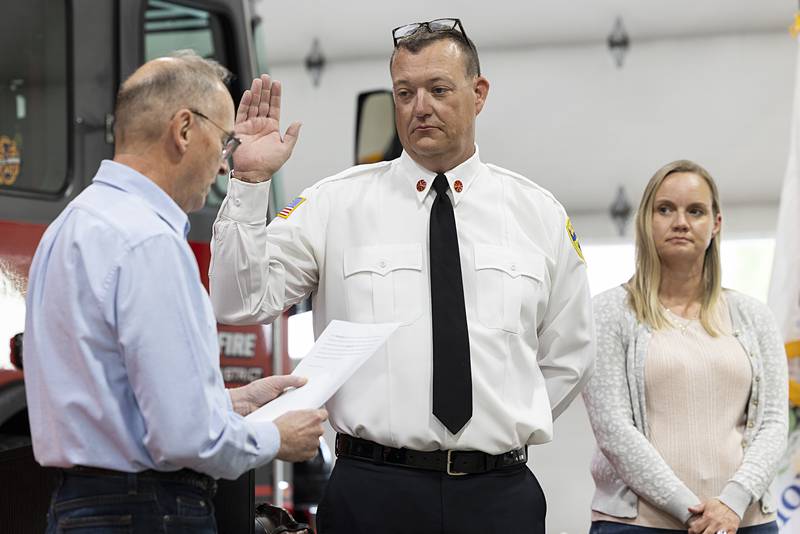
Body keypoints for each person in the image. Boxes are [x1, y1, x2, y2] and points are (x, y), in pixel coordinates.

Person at [210, 18, 594, 533]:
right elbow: (239, 302)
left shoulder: (537, 214)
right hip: (372, 491)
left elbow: (570, 352)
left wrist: (502, 422)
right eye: (405, 92)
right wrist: (250, 182)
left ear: (478, 93)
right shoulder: (336, 204)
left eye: (438, 89)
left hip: (498, 496)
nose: (421, 107)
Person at [23, 51, 327, 534]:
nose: (224, 162)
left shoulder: (73, 225)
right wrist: (274, 437)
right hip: (148, 509)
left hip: (80, 506)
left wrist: (233, 401)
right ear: (184, 130)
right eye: (225, 141)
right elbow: (185, 438)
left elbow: (114, 400)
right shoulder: (149, 241)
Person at [582, 160, 788, 534]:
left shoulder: (754, 316)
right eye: (665, 209)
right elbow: (614, 430)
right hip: (640, 525)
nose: (681, 222)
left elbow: (774, 422)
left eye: (695, 211)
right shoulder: (608, 312)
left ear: (716, 224)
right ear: (646, 220)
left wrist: (732, 503)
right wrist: (692, 511)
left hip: (746, 521)